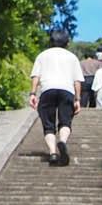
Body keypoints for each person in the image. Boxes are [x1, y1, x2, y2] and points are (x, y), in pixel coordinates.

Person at [28, 26, 83, 165]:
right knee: (65, 122)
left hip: (47, 90)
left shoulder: (42, 55)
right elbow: (77, 81)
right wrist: (77, 99)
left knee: (48, 125)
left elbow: (36, 76)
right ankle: (62, 142)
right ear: (67, 42)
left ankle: (52, 153)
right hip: (67, 90)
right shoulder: (72, 57)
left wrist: (33, 94)